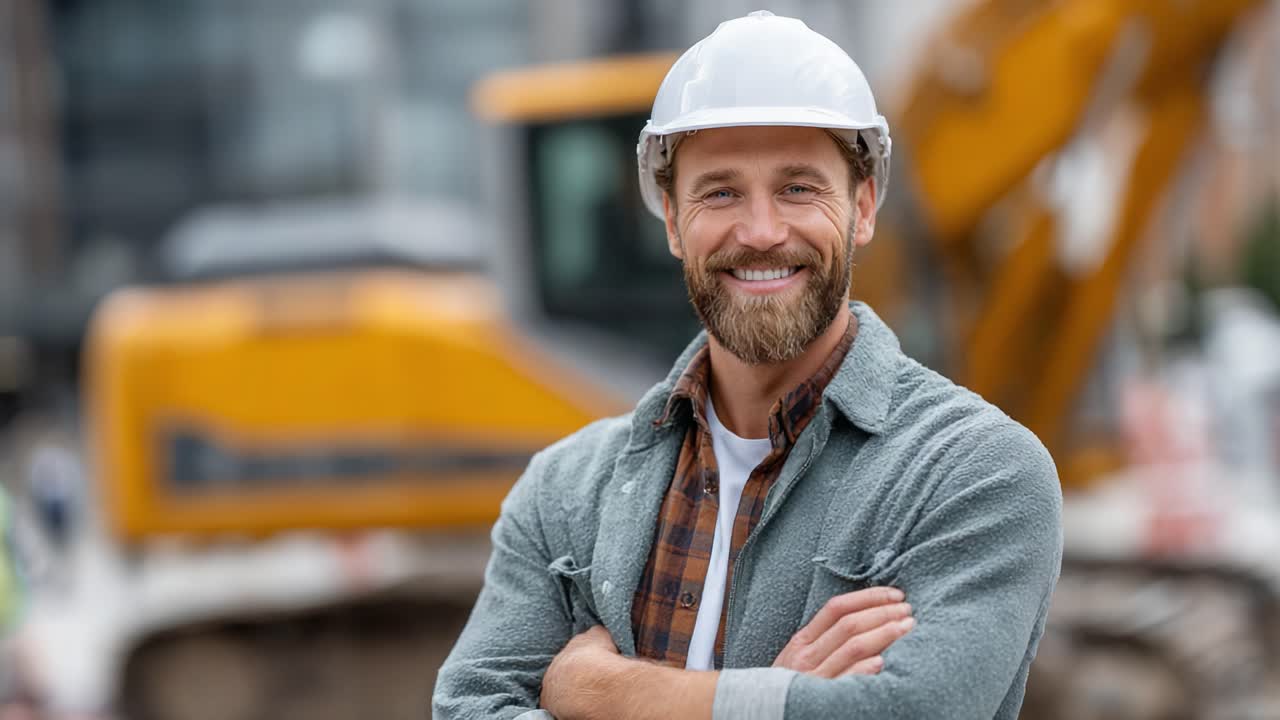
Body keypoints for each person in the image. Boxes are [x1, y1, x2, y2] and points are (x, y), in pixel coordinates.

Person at [434, 11, 1062, 720]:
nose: (761, 232)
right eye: (722, 192)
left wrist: (600, 691)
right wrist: (777, 698)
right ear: (672, 221)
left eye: (798, 188)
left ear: (862, 206)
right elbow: (468, 709)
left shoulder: (973, 474)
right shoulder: (565, 494)